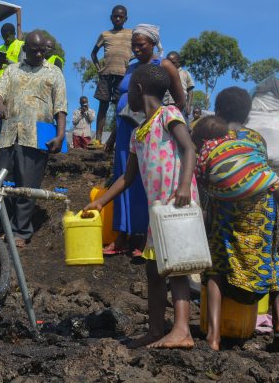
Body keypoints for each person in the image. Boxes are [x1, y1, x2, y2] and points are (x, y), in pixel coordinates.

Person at [85, 64, 198, 349]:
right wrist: (100, 201)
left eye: (126, 93)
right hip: (156, 211)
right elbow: (128, 176)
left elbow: (189, 148)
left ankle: (182, 330)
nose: (124, 100)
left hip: (176, 203)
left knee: (178, 267)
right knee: (153, 269)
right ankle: (155, 330)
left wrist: (184, 186)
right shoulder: (139, 134)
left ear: (137, 89)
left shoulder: (169, 115)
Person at [199, 87, 279, 350]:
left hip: (225, 204)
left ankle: (214, 336)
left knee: (216, 263)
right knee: (270, 257)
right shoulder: (256, 138)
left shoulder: (213, 134)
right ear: (248, 114)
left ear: (217, 111)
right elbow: (260, 169)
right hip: (261, 204)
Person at [102, 24, 185, 257]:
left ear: (152, 43)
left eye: (141, 45)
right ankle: (121, 236)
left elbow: (180, 101)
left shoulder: (164, 65)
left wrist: (162, 125)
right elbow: (123, 102)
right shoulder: (131, 68)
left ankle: (140, 237)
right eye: (133, 45)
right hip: (124, 131)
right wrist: (113, 137)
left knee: (141, 182)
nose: (136, 49)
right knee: (123, 176)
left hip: (151, 130)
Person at [0, 30, 67, 248]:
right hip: (9, 136)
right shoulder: (12, 70)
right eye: (32, 50)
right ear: (25, 49)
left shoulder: (54, 73)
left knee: (28, 185)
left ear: (45, 49)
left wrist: (60, 135)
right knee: (4, 186)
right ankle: (2, 228)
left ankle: (21, 232)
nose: (37, 54)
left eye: (40, 50)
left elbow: (60, 107)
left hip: (36, 138)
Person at [91, 5, 133, 143]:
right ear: (111, 18)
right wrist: (99, 68)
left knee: (120, 109)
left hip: (123, 76)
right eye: (115, 16)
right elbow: (93, 54)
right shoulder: (105, 35)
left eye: (121, 16)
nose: (118, 18)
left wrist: (130, 60)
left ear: (126, 19)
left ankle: (115, 141)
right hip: (106, 75)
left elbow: (138, 50)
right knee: (103, 106)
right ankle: (98, 139)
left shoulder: (131, 34)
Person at [164, 51, 195, 121]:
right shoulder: (163, 74)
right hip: (165, 106)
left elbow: (190, 90)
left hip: (180, 106)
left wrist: (188, 105)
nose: (170, 65)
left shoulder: (185, 73)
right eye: (168, 63)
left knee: (181, 125)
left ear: (179, 62)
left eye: (173, 62)